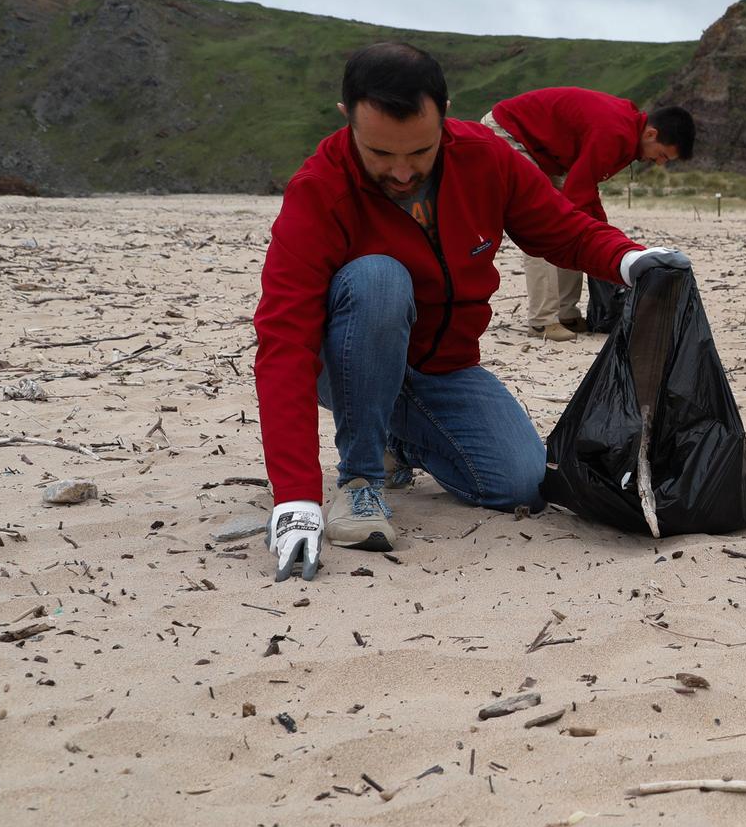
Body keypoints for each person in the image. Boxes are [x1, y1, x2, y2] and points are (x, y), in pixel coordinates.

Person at [255, 43, 691, 582]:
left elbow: (561, 228)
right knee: (378, 278)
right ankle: (360, 480)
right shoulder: (319, 188)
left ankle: (396, 436)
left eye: (419, 151)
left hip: (444, 369)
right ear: (347, 118)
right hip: (344, 361)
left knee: (518, 483)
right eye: (380, 153)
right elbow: (284, 342)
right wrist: (295, 500)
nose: (400, 171)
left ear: (444, 113)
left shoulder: (485, 156)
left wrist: (629, 259)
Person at [481, 87, 695, 341]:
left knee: (576, 226)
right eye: (661, 155)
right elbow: (577, 192)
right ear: (651, 134)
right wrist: (605, 241)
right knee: (540, 224)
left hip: (544, 153)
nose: (660, 163)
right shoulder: (614, 134)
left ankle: (566, 313)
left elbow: (584, 193)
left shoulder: (627, 134)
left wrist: (605, 239)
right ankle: (543, 321)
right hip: (508, 133)